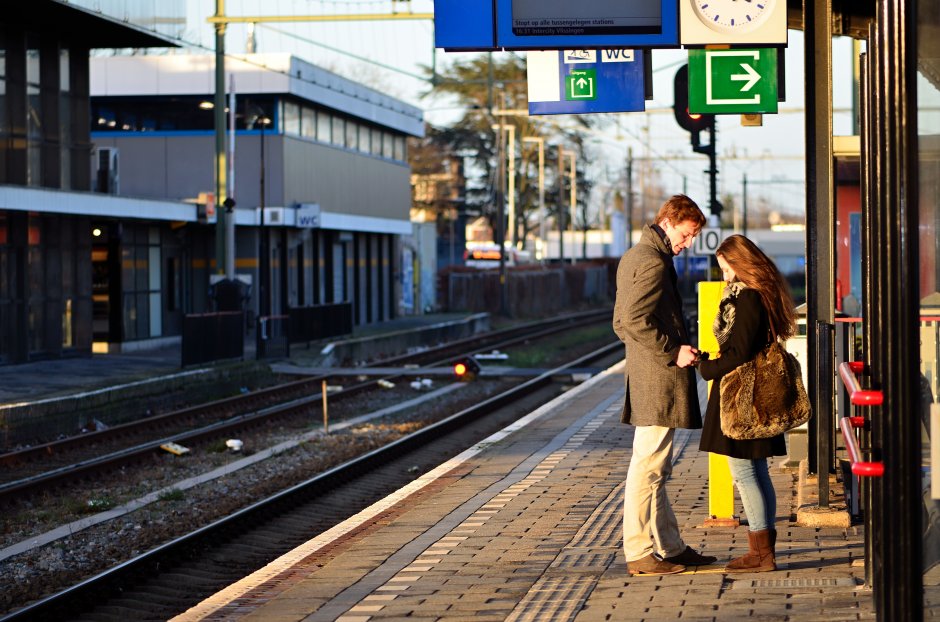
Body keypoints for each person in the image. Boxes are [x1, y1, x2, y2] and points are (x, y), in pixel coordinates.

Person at [613, 194, 716, 576]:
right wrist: (673, 352)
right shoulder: (654, 263)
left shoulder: (633, 256)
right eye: (687, 235)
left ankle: (670, 546)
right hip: (659, 378)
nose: (687, 243)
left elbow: (620, 323)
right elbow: (636, 320)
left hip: (645, 374)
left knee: (657, 466)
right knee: (648, 467)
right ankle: (640, 552)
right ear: (669, 221)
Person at [696, 234, 797, 573]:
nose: (725, 277)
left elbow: (740, 353)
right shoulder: (759, 295)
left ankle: (760, 554)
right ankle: (763, 549)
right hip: (751, 398)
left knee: (744, 473)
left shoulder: (748, 298)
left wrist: (706, 367)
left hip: (743, 400)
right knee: (756, 472)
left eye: (727, 269)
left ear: (741, 265)